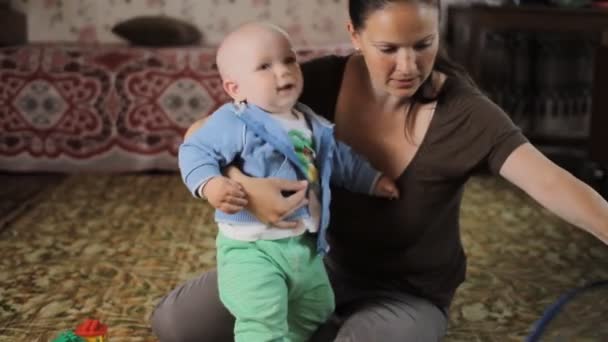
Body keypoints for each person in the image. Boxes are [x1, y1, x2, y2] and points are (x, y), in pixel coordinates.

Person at [152, 0, 608, 341]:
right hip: (309, 263)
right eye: (388, 48)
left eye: (423, 45)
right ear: (354, 34)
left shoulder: (467, 113)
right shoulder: (311, 82)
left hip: (404, 292)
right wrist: (244, 188)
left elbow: (554, 184)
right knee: (174, 324)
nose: (408, 67)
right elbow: (203, 133)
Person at [177, 22, 399, 342]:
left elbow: (341, 159)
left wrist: (373, 180)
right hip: (252, 249)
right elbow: (195, 150)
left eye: (289, 60)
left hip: (304, 245)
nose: (283, 71)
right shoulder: (235, 121)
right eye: (265, 66)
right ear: (235, 88)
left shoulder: (311, 123)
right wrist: (211, 184)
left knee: (316, 308)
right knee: (262, 319)